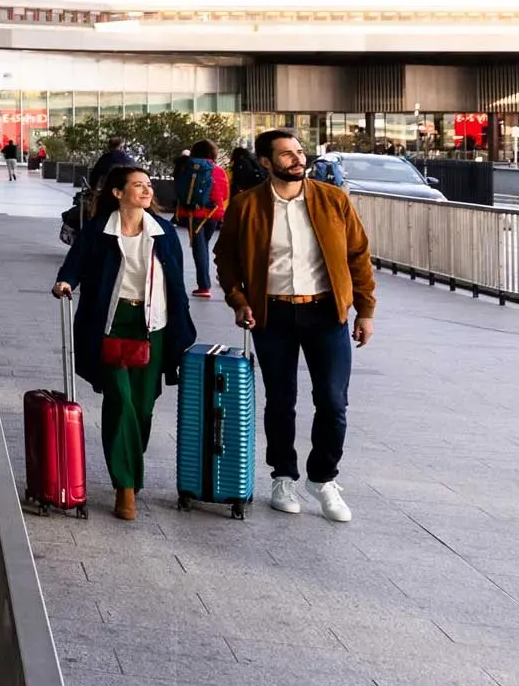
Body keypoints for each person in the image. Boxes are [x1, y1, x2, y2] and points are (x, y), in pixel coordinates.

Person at [216, 129, 377, 523]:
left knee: (333, 402)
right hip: (273, 315)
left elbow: (358, 255)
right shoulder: (246, 205)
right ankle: (283, 476)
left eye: (299, 152)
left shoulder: (332, 200)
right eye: (286, 154)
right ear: (267, 163)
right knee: (280, 401)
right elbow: (226, 259)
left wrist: (365, 309)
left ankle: (323, 479)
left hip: (327, 312)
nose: (297, 159)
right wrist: (238, 301)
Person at [51, 165, 196, 520]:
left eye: (148, 185)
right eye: (138, 185)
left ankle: (129, 467)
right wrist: (65, 283)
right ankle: (125, 485)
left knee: (144, 406)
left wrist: (181, 326)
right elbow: (74, 266)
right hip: (112, 323)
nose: (147, 191)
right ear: (118, 193)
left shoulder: (163, 233)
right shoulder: (99, 232)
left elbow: (176, 284)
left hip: (153, 324)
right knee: (120, 399)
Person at [172, 140, 229, 297]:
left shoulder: (188, 168)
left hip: (194, 213)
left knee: (200, 248)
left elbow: (179, 190)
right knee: (204, 245)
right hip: (214, 213)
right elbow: (225, 194)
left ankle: (204, 286)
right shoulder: (219, 170)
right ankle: (204, 283)